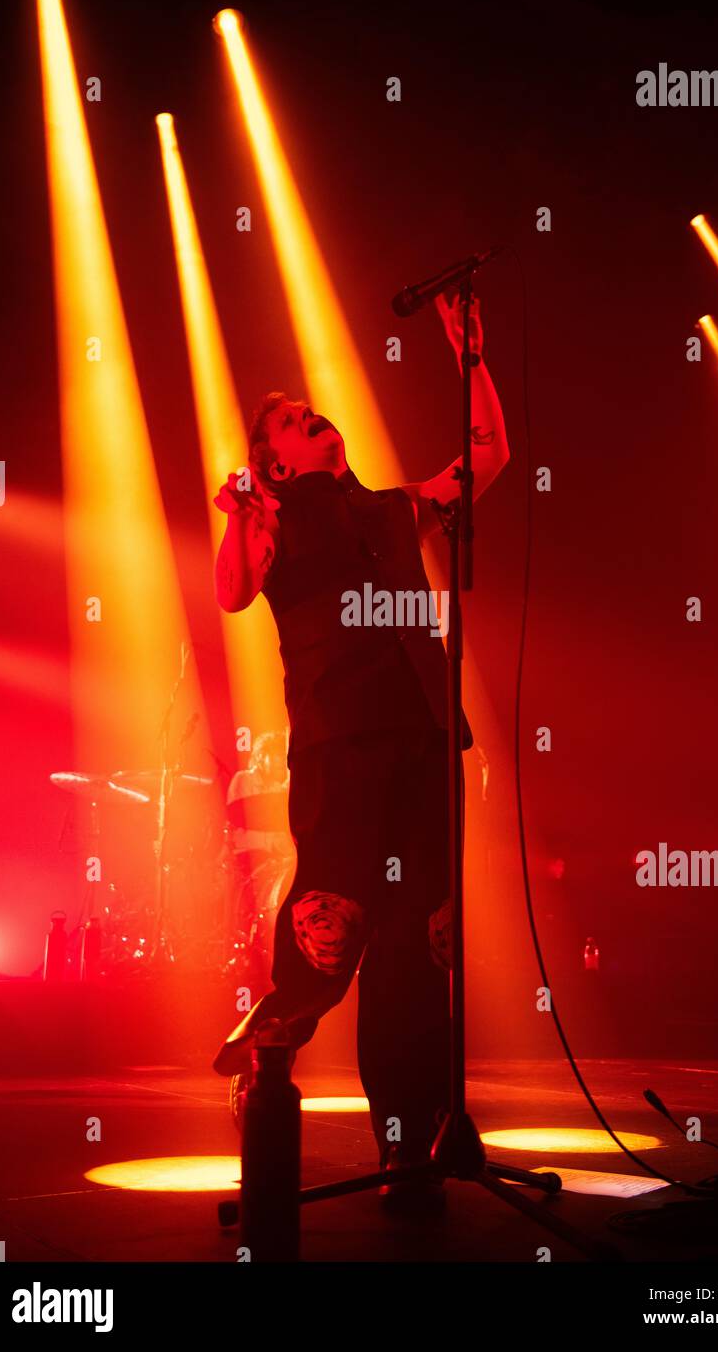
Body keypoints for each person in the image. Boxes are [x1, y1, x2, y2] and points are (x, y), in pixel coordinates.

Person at [212, 291, 509, 1209]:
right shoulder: (275, 519)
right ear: (276, 459)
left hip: (422, 740)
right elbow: (230, 595)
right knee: (330, 921)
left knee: (421, 948)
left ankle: (409, 1143)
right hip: (341, 745)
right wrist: (238, 513)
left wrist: (470, 359)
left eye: (309, 409)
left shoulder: (387, 512)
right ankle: (269, 1054)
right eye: (294, 421)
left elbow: (490, 460)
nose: (313, 416)